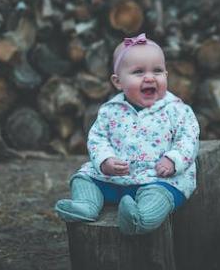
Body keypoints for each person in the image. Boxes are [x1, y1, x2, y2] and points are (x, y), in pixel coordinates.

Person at [55, 33, 199, 235]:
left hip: (157, 178)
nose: (150, 77)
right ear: (118, 81)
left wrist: (173, 160)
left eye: (157, 71)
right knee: (83, 177)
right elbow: (98, 139)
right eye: (139, 72)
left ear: (166, 75)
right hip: (115, 178)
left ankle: (140, 218)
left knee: (162, 194)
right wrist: (106, 161)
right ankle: (86, 205)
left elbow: (188, 139)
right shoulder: (110, 110)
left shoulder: (177, 110)